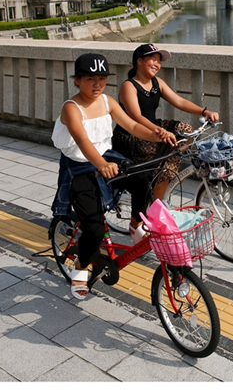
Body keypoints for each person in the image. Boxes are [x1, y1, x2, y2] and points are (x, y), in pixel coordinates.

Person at [51, 51, 176, 299]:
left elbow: (131, 125)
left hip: (106, 158)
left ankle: (134, 226)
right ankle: (79, 267)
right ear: (76, 80)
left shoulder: (107, 101)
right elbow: (82, 140)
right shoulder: (71, 108)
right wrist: (100, 164)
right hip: (79, 167)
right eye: (89, 79)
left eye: (102, 78)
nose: (97, 84)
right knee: (95, 230)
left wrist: (156, 134)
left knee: (142, 181)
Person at [113, 43, 219, 234]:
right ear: (139, 61)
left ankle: (163, 183)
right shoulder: (128, 86)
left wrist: (205, 111)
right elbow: (136, 117)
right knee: (158, 149)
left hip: (154, 129)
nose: (156, 64)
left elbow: (179, 101)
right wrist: (159, 132)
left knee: (185, 131)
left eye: (159, 61)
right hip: (133, 135)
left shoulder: (157, 82)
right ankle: (147, 204)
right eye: (152, 59)